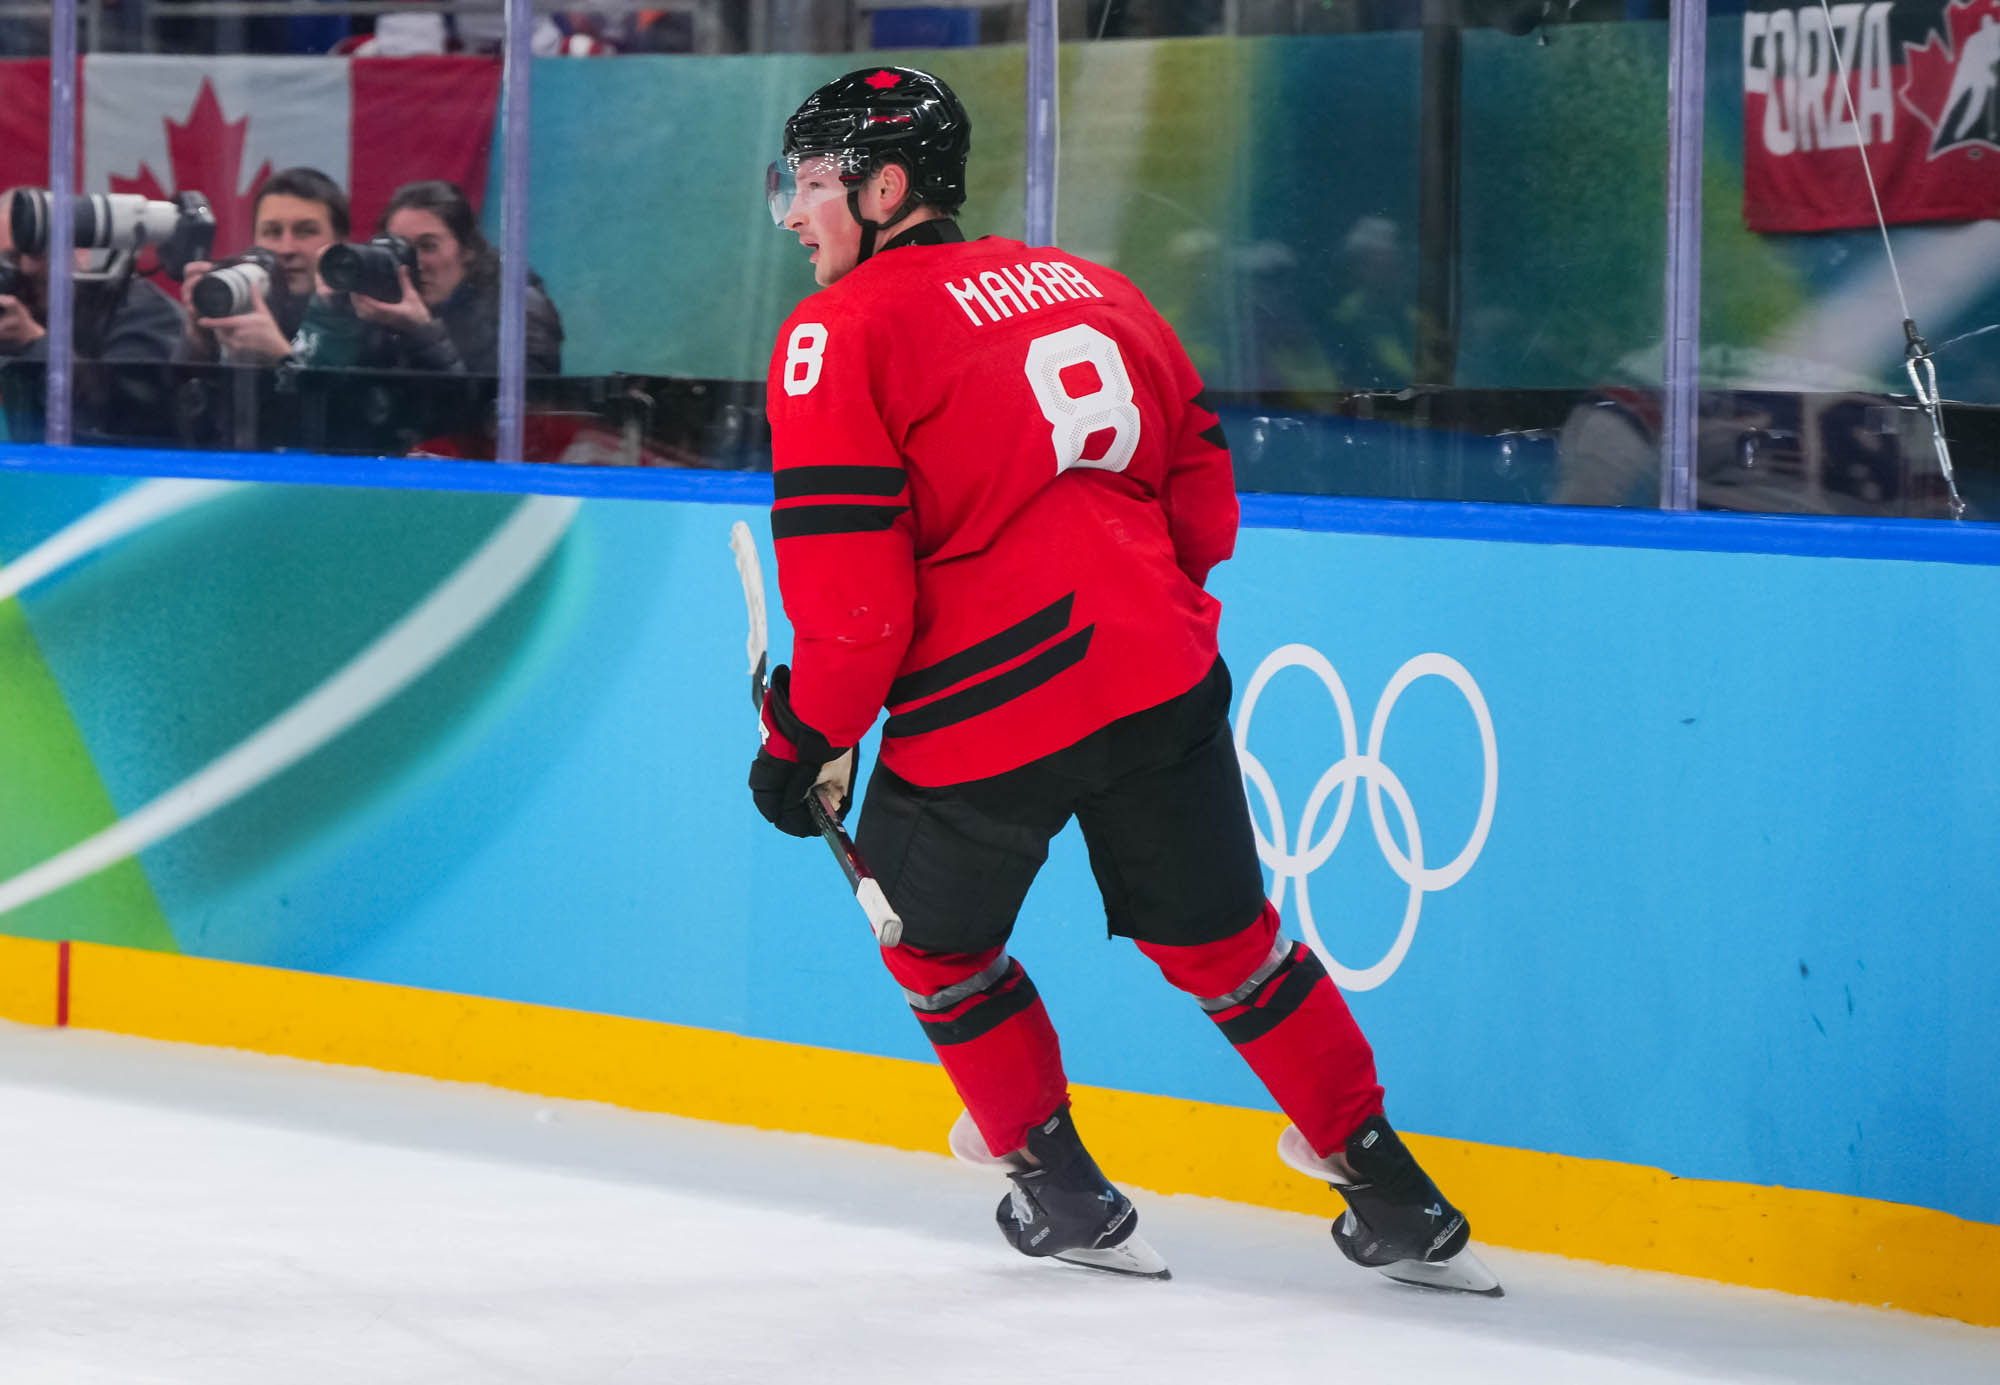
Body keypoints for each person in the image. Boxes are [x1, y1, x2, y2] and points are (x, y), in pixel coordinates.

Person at [746, 67, 1499, 1294]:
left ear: (882, 190)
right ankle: (1391, 1191)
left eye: (810, 182)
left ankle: (1063, 1192)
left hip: (984, 705)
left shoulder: (838, 330)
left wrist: (802, 736)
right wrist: (1141, 609)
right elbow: (1202, 492)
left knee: (936, 949)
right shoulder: (1092, 284)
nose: (790, 211)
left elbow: (858, 608)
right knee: (1230, 944)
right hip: (1160, 674)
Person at [291, 179, 563, 376]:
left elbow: (505, 426)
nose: (414, 263)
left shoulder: (519, 310)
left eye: (428, 246)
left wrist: (422, 332)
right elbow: (321, 405)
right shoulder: (377, 306)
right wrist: (333, 318)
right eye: (399, 248)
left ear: (468, 250)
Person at [0, 188, 188, 442]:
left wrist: (35, 345)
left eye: (36, 252)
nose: (24, 269)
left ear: (80, 248)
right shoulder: (22, 311)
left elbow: (121, 421)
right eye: (8, 261)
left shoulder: (137, 309)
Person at [178, 165, 348, 365]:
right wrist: (199, 345)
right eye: (272, 232)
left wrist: (281, 357)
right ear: (255, 240)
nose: (286, 249)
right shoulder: (234, 301)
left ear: (340, 242)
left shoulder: (365, 317)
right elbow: (174, 384)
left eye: (306, 231)